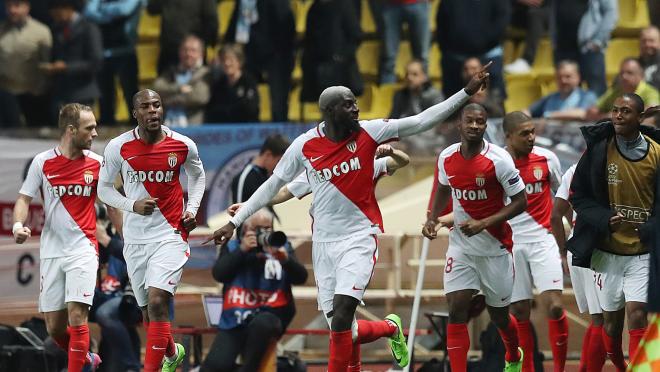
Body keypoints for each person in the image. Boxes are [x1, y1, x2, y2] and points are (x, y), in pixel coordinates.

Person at [207, 63, 492, 372]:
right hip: (324, 244)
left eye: (355, 103)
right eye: (348, 104)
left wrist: (466, 92)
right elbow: (275, 187)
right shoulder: (305, 147)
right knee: (345, 330)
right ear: (330, 112)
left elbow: (422, 121)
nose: (356, 108)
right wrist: (239, 217)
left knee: (343, 313)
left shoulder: (370, 132)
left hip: (359, 236)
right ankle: (390, 328)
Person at [97, 89, 206, 372]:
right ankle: (172, 353)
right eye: (145, 107)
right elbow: (103, 189)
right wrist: (131, 205)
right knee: (146, 312)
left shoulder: (182, 144)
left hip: (171, 234)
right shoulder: (118, 147)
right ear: (135, 113)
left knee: (158, 302)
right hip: (135, 238)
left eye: (157, 105)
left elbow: (197, 176)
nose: (153, 111)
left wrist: (191, 209)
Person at [423, 103, 527, 372]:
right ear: (459, 123)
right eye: (469, 121)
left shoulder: (499, 160)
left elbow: (520, 202)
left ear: (485, 125)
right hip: (462, 249)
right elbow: (445, 189)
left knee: (500, 317)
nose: (474, 126)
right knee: (457, 309)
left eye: (480, 122)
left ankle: (514, 355)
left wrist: (484, 223)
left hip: (496, 248)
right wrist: (433, 218)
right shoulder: (446, 157)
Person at [12, 103, 111, 372]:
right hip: (52, 251)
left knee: (78, 316)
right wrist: (18, 224)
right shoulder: (42, 162)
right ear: (71, 130)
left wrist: (126, 237)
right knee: (55, 328)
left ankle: (77, 367)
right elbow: (23, 198)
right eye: (89, 127)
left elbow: (114, 201)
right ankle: (86, 358)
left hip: (84, 249)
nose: (95, 132)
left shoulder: (98, 163)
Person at [567, 93, 660, 369]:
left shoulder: (656, 153)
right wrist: (604, 219)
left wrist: (650, 227)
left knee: (637, 313)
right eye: (615, 110)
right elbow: (578, 196)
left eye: (626, 111)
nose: (618, 115)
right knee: (611, 323)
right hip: (606, 251)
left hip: (641, 251)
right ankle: (621, 366)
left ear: (640, 118)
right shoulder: (598, 151)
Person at [201, 209, 307, 372]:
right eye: (258, 229)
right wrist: (242, 250)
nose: (264, 234)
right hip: (236, 319)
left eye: (268, 229)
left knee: (263, 323)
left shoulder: (282, 247)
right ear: (246, 229)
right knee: (214, 367)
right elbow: (219, 274)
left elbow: (301, 278)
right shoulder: (234, 246)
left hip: (272, 316)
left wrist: (285, 260)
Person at [502, 111, 567, 372]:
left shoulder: (547, 158)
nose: (531, 137)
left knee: (555, 307)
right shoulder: (497, 163)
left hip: (543, 240)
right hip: (511, 245)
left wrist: (570, 230)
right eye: (524, 134)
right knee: (519, 312)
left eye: (532, 132)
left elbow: (563, 196)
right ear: (507, 137)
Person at [551, 163, 607, 372]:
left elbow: (556, 215)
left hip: (578, 245)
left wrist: (563, 252)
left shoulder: (573, 170)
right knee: (602, 317)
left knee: (599, 317)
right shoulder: (614, 166)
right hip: (598, 247)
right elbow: (556, 216)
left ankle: (585, 368)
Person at [84, 0, 142, 125]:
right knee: (104, 93)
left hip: (126, 50)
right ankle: (107, 123)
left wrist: (103, 11)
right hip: (104, 51)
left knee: (130, 91)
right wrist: (112, 16)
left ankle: (136, 124)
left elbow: (125, 10)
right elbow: (88, 12)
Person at [45, 0, 103, 125]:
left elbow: (95, 62)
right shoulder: (55, 29)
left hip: (82, 91)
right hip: (60, 92)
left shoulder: (89, 28)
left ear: (69, 8)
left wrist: (67, 67)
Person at [0, 0, 52, 127]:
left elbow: (47, 65)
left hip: (32, 94)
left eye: (17, 5)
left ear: (27, 7)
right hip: (6, 93)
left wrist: (42, 89)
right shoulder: (1, 30)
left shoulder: (42, 31)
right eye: (9, 6)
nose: (12, 10)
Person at [153, 34, 211, 127]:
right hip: (167, 126)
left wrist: (167, 99)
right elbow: (156, 88)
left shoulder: (205, 73)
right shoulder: (171, 71)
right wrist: (179, 89)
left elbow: (199, 97)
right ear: (179, 52)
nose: (188, 54)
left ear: (201, 53)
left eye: (193, 50)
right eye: (185, 50)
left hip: (193, 126)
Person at [389, 59, 444, 155]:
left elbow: (435, 125)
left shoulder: (434, 95)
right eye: (407, 74)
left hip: (428, 138)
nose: (409, 78)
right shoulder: (400, 95)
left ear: (424, 77)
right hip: (404, 136)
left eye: (414, 74)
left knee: (420, 145)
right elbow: (393, 120)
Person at [587, 58, 660, 121]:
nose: (624, 76)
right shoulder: (615, 91)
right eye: (621, 73)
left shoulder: (650, 92)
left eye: (629, 73)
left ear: (641, 76)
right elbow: (592, 111)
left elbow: (653, 112)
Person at [205, 44, 260, 124]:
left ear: (239, 61)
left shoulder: (248, 82)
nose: (227, 63)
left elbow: (251, 109)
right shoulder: (219, 84)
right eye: (223, 60)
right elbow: (212, 110)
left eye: (230, 59)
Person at [527, 60, 597, 120]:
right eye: (559, 77)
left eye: (568, 76)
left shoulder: (587, 96)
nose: (563, 81)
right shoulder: (550, 97)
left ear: (578, 77)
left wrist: (548, 116)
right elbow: (528, 111)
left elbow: (582, 113)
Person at [231, 134, 290, 204]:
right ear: (268, 155)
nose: (280, 167)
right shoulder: (244, 179)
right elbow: (238, 212)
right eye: (279, 161)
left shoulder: (267, 177)